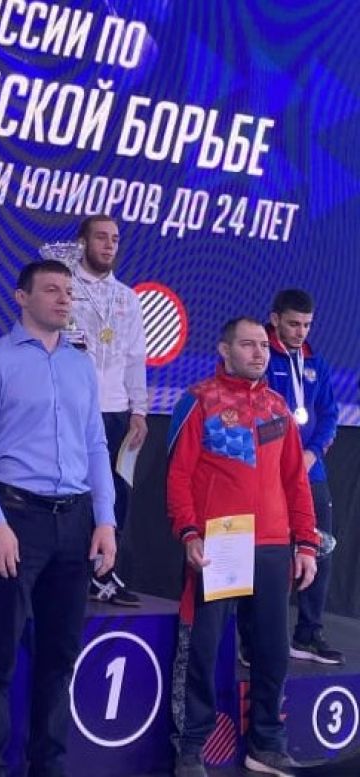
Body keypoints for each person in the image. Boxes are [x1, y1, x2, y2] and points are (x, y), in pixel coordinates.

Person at [0, 259, 117, 777]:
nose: (65, 299)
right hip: (17, 519)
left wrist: (106, 520)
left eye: (69, 291)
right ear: (21, 297)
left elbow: (96, 446)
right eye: (52, 289)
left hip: (75, 521)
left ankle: (49, 767)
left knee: (60, 656)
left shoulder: (80, 366)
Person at [167, 317, 318, 777]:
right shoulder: (199, 401)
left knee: (272, 650)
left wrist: (306, 543)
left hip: (272, 546)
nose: (259, 353)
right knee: (203, 648)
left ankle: (267, 745)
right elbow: (178, 477)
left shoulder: (277, 407)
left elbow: (296, 481)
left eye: (263, 346)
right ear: (224, 349)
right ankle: (191, 747)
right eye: (248, 345)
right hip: (220, 544)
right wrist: (189, 532)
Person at [72, 215, 147, 606]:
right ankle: (69, 570)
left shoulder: (127, 297)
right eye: (100, 237)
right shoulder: (64, 288)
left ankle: (103, 571)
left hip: (116, 410)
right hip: (72, 408)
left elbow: (136, 357)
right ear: (82, 242)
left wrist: (140, 410)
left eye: (114, 239)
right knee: (74, 491)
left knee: (115, 492)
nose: (108, 245)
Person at [265, 289, 342, 664]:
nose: (300, 332)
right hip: (271, 473)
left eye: (307, 325)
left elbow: (329, 415)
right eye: (294, 324)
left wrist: (312, 453)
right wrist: (287, 459)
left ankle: (309, 632)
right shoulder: (260, 354)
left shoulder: (315, 361)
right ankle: (259, 637)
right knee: (270, 554)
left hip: (312, 472)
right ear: (275, 319)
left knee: (319, 548)